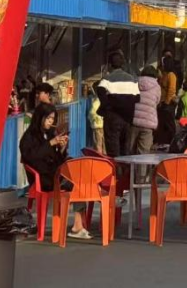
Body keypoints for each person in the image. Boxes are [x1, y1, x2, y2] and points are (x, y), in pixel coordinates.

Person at [20, 103, 91, 239]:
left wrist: (62, 148)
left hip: (54, 173)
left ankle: (78, 225)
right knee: (76, 182)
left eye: (52, 119)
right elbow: (31, 157)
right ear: (40, 118)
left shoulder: (49, 134)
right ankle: (77, 226)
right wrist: (50, 144)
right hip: (42, 178)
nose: (50, 121)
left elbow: (56, 158)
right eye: (48, 118)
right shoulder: (29, 137)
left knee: (78, 173)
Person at [95, 51, 139, 158]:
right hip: (127, 119)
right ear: (122, 64)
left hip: (112, 118)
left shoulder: (107, 79)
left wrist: (108, 106)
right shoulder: (132, 79)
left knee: (113, 151)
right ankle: (124, 168)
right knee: (125, 151)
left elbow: (100, 90)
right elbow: (138, 98)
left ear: (110, 65)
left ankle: (114, 168)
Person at [130, 65, 160, 155]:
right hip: (148, 122)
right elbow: (157, 101)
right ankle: (141, 165)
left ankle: (129, 164)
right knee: (143, 153)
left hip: (133, 120)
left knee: (129, 151)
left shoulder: (135, 83)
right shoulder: (157, 87)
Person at [86, 84, 105, 154]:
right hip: (104, 125)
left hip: (97, 125)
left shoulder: (96, 101)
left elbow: (92, 112)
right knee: (104, 145)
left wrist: (90, 118)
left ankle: (98, 157)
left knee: (97, 144)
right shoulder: (105, 100)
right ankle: (105, 157)